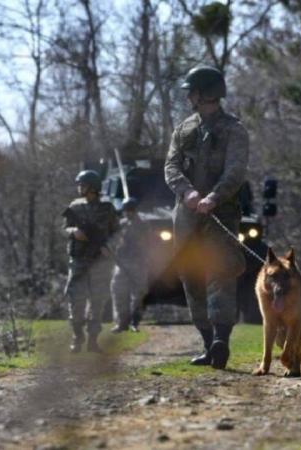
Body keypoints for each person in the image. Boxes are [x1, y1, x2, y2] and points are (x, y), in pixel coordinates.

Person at [164, 65, 249, 370]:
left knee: (221, 273)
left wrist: (214, 197)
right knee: (191, 276)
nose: (189, 96)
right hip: (186, 217)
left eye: (192, 91)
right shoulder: (184, 129)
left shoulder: (234, 130)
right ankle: (206, 342)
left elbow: (235, 171)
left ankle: (221, 341)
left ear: (204, 93)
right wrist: (187, 193)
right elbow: (171, 167)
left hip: (221, 214)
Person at [62, 169, 119, 353]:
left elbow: (117, 233)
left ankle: (93, 340)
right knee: (75, 300)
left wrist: (108, 247)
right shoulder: (75, 206)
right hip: (78, 260)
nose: (79, 188)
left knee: (97, 301)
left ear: (93, 187)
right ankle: (77, 337)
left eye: (83, 185)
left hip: (100, 262)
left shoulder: (107, 208)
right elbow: (65, 227)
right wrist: (73, 232)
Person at [110, 197, 150, 333]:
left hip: (138, 263)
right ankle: (121, 323)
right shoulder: (121, 224)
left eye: (130, 210)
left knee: (138, 295)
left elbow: (148, 244)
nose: (128, 213)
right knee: (119, 292)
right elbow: (114, 241)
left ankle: (135, 322)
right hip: (121, 263)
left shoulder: (143, 225)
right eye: (126, 210)